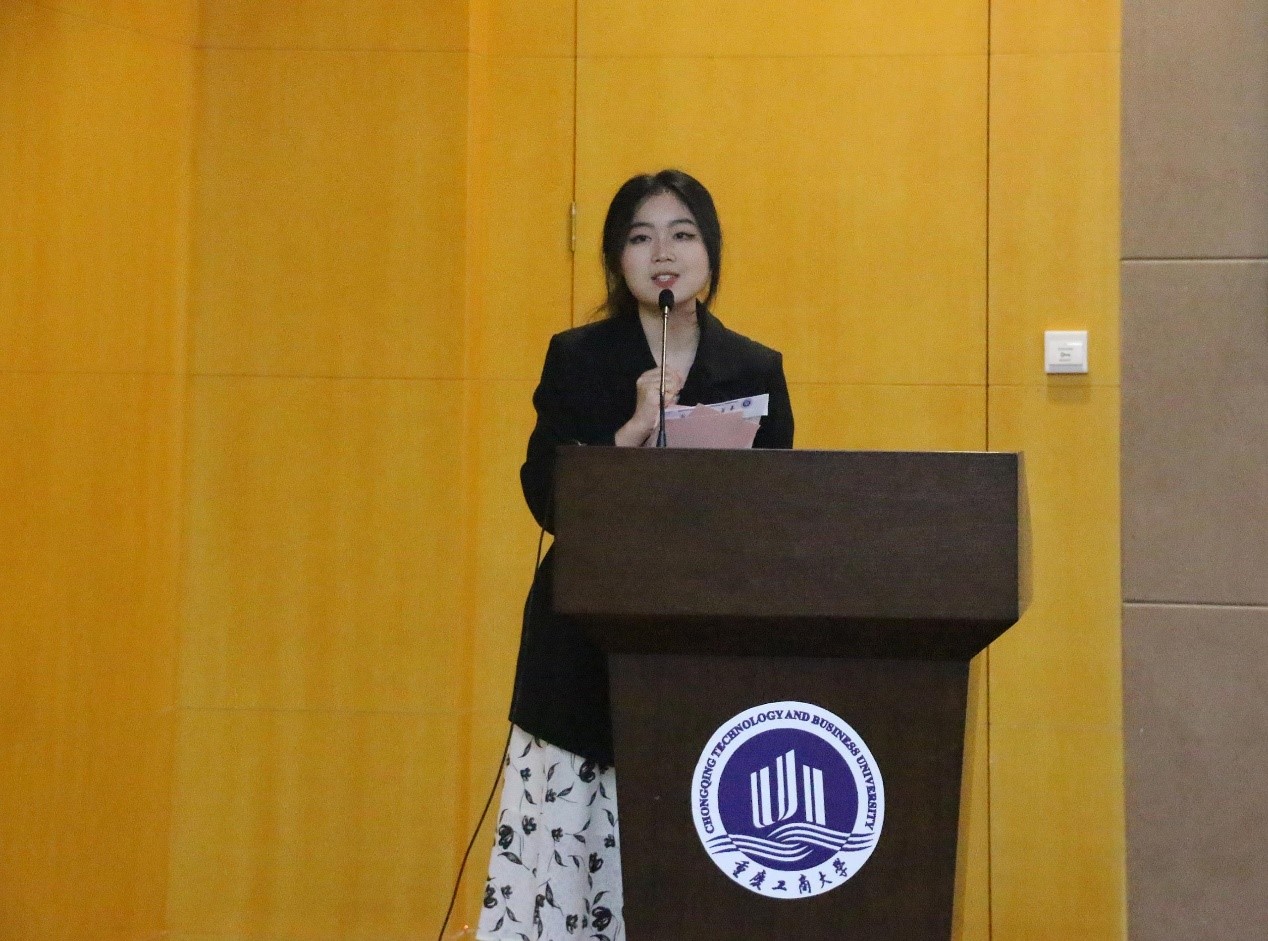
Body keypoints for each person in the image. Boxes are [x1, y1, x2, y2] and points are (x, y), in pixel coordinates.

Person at [476, 170, 794, 941]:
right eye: (640, 237)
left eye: (682, 234)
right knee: (571, 857)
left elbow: (783, 506)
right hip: (581, 643)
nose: (663, 253)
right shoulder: (578, 358)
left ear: (710, 253)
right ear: (616, 259)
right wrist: (627, 433)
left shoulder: (755, 367)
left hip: (703, 640)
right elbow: (544, 496)